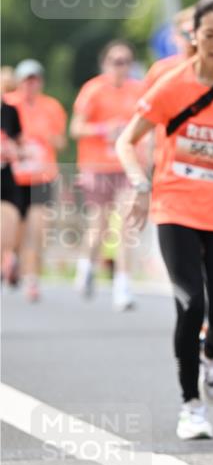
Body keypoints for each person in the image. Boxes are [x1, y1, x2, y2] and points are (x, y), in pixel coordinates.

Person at [116, 0, 213, 439]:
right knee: (189, 303)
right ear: (193, 37)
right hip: (175, 205)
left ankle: (210, 354)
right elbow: (127, 141)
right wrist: (141, 184)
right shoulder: (172, 84)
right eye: (209, 35)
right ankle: (190, 406)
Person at [70, 41, 145, 309]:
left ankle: (122, 287)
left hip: (127, 166)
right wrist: (104, 129)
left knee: (125, 226)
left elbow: (148, 127)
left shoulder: (138, 90)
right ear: (105, 64)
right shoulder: (93, 89)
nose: (120, 66)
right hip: (96, 165)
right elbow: (75, 128)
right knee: (99, 225)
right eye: (115, 61)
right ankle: (86, 265)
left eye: (125, 61)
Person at [4, 60, 67, 301]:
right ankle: (12, 261)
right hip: (14, 178)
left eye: (35, 79)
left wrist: (45, 137)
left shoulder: (51, 107)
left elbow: (61, 142)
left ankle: (32, 280)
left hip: (42, 176)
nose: (31, 85)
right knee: (15, 233)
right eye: (26, 80)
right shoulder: (8, 105)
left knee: (38, 229)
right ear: (19, 82)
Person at [1, 68, 22, 285]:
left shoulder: (10, 111)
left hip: (6, 171)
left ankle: (7, 258)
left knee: (10, 216)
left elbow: (19, 142)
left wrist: (14, 150)